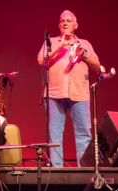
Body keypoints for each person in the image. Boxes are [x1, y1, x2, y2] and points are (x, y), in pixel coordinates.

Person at [37, 10, 100, 167]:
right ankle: (56, 171)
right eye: (63, 21)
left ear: (76, 25)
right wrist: (60, 46)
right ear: (59, 25)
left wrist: (84, 56)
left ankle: (84, 171)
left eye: (69, 21)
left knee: (84, 133)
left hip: (79, 94)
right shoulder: (51, 42)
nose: (65, 23)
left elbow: (97, 67)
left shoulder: (85, 44)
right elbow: (41, 60)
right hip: (55, 93)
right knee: (55, 134)